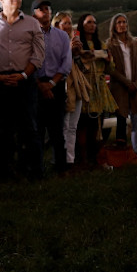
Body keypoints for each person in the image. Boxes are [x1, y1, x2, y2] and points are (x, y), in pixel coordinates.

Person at [0, 0, 45, 179]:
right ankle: (2, 172)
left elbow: (39, 54)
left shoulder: (33, 24)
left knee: (29, 127)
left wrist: (24, 75)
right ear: (1, 0)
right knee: (0, 128)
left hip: (25, 81)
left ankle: (33, 171)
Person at [32, 0, 72, 173]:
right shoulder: (29, 36)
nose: (45, 12)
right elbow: (26, 62)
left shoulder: (62, 36)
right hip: (36, 85)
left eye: (47, 9)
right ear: (34, 14)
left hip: (55, 85)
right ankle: (37, 168)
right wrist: (41, 86)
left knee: (57, 131)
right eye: (40, 9)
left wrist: (51, 84)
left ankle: (61, 167)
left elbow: (66, 64)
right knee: (37, 130)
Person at [106, 13, 137, 159]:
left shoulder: (134, 44)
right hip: (120, 87)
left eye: (124, 22)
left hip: (136, 87)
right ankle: (121, 156)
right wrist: (126, 83)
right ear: (114, 25)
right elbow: (110, 69)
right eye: (118, 22)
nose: (121, 25)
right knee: (121, 121)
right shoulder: (110, 45)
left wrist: (136, 83)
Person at [75, 12, 116, 167]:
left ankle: (95, 157)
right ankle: (82, 158)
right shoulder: (78, 44)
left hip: (98, 87)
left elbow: (110, 68)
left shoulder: (101, 44)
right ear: (82, 24)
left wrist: (108, 60)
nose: (92, 25)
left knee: (96, 125)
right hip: (84, 85)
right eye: (89, 22)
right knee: (82, 124)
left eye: (94, 22)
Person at [55, 11, 88, 170]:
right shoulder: (55, 41)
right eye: (64, 23)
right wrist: (69, 50)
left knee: (73, 126)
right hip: (64, 85)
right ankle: (62, 161)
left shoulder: (74, 40)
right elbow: (57, 64)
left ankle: (71, 160)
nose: (68, 26)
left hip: (77, 86)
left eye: (69, 23)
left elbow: (82, 68)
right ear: (57, 25)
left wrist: (77, 54)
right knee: (64, 126)